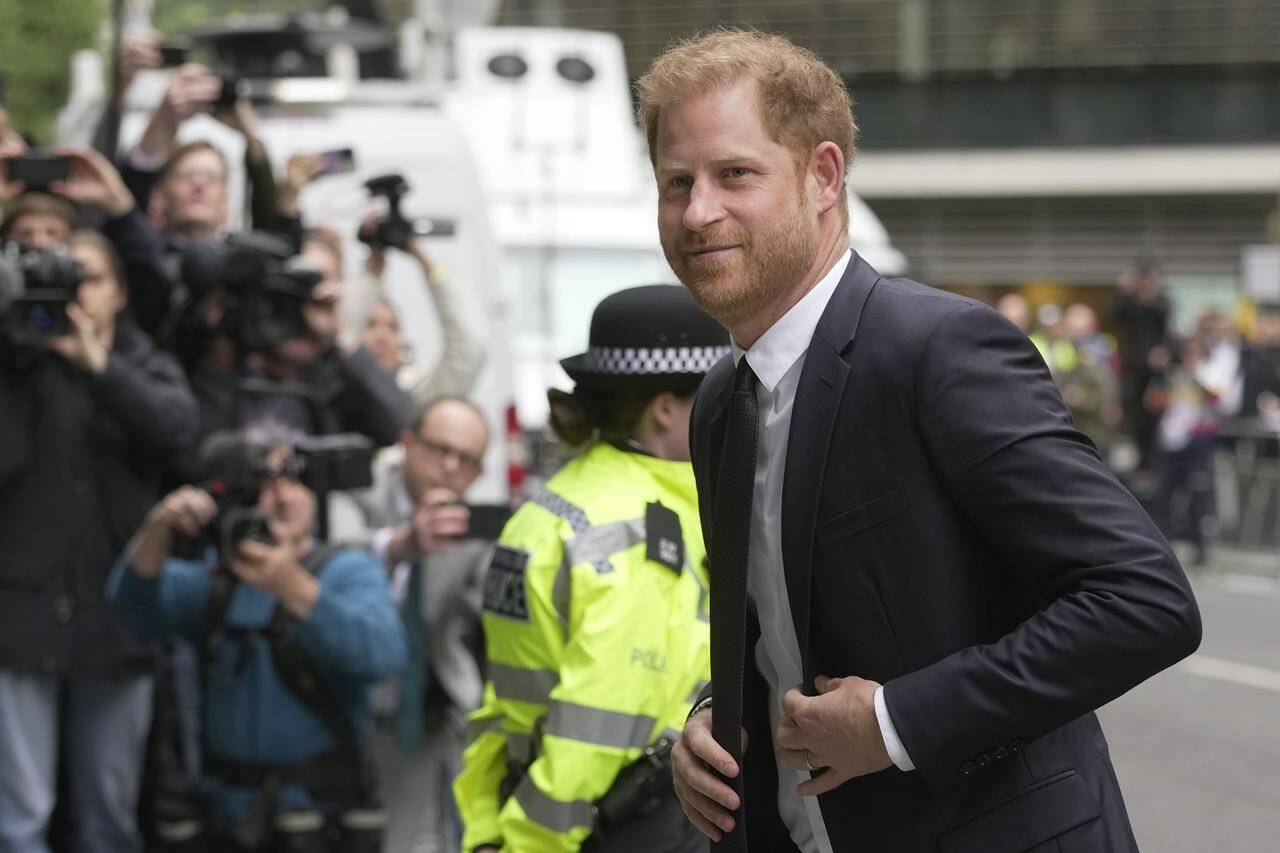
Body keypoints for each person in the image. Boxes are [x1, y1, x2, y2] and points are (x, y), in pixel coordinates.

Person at [640, 30, 1202, 852]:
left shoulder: (936, 349)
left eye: (736, 175)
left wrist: (898, 721)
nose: (698, 212)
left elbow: (1144, 600)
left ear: (823, 176)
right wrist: (710, 715)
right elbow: (785, 624)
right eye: (675, 182)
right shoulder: (723, 401)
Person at [455, 285, 730, 852]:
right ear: (665, 408)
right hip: (615, 827)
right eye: (720, 394)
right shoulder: (652, 534)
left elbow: (503, 708)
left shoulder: (550, 507)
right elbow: (600, 725)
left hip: (525, 805)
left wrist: (487, 831)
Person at [106, 433, 407, 851]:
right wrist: (159, 527)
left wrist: (292, 586)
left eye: (294, 479)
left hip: (316, 814)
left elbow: (382, 655)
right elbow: (130, 606)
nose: (282, 497)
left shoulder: (346, 569)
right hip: (232, 816)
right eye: (265, 484)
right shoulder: (220, 581)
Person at [0, 231, 199, 853]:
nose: (72, 292)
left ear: (118, 292)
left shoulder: (144, 364)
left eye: (85, 277)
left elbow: (178, 434)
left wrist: (100, 368)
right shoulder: (17, 365)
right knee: (20, 820)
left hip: (117, 627)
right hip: (22, 620)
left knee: (107, 818)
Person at [329, 396, 494, 853]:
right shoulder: (357, 491)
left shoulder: (475, 524)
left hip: (423, 708)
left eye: (465, 461)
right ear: (406, 444)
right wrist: (400, 547)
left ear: (478, 474)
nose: (448, 467)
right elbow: (328, 566)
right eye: (437, 449)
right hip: (336, 700)